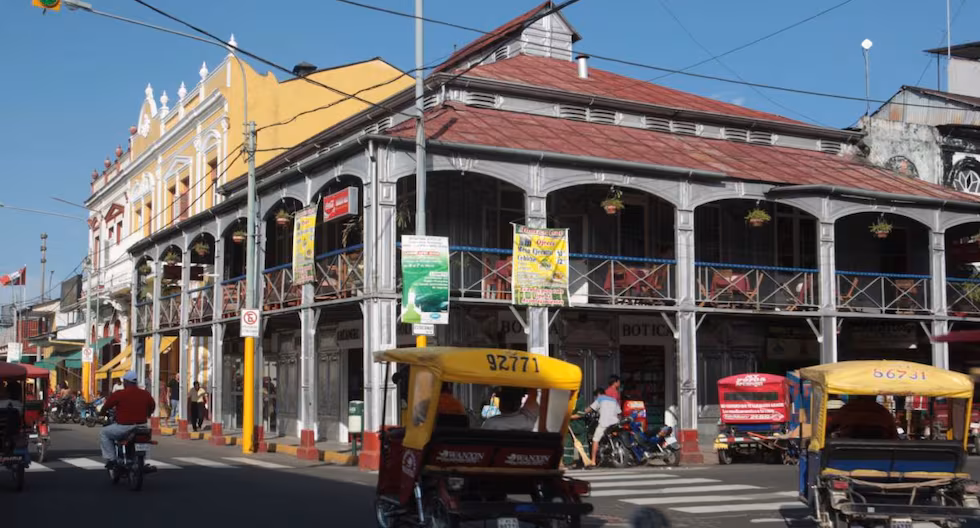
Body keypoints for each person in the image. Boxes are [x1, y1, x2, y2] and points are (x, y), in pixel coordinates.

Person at [99, 371, 155, 469]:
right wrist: (147, 414)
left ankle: (112, 460)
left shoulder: (119, 394)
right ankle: (141, 461)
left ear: (126, 382)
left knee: (104, 433)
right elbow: (152, 406)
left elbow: (107, 406)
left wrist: (102, 413)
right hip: (142, 426)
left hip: (124, 427)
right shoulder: (145, 394)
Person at [828, 395, 898, 440]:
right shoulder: (883, 411)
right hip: (880, 453)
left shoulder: (848, 408)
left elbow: (830, 427)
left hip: (847, 451)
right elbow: (894, 434)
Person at [590, 388, 622, 466]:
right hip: (615, 423)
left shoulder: (600, 399)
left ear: (598, 394)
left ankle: (593, 461)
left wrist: (582, 412)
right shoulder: (614, 400)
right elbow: (619, 412)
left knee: (595, 439)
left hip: (604, 423)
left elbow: (590, 409)